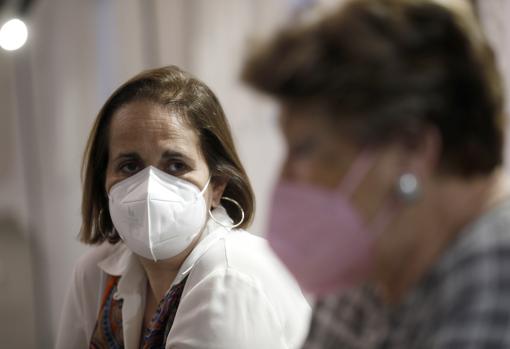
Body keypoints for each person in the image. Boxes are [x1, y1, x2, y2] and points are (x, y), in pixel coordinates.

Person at [242, 0, 510, 347]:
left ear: (412, 148)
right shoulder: (374, 266)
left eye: (306, 150)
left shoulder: (495, 269)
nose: (287, 179)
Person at [55, 66, 310, 349]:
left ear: (217, 186)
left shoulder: (229, 278)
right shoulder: (97, 275)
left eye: (176, 166)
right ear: (104, 181)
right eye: (130, 166)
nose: (149, 187)